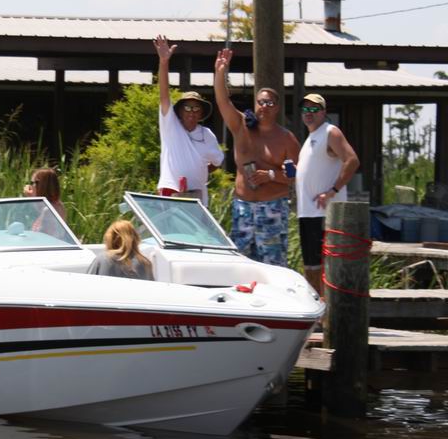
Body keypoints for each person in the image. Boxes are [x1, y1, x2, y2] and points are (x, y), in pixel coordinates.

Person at [213, 48, 300, 267]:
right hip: (242, 206)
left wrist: (270, 175)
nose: (264, 107)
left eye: (269, 103)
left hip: (272, 207)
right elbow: (223, 101)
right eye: (261, 102)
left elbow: (295, 175)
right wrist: (220, 72)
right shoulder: (240, 125)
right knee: (241, 263)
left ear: (277, 107)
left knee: (272, 264)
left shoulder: (286, 139)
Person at [296, 93, 360, 295]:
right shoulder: (310, 138)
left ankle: (330, 309)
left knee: (327, 267)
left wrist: (332, 191)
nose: (309, 113)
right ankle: (317, 308)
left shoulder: (330, 131)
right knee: (311, 267)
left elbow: (352, 161)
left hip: (324, 214)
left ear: (323, 112)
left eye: (314, 109)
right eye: (306, 109)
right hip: (307, 213)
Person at [153, 35, 224, 206]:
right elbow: (164, 96)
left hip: (196, 193)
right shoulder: (171, 126)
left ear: (201, 113)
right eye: (187, 107)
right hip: (171, 189)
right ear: (180, 111)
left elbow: (217, 162)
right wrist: (164, 62)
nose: (192, 112)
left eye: (196, 108)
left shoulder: (207, 135)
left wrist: (201, 172)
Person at [87, 220, 154, 280]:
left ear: (111, 238)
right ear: (135, 238)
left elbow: (87, 283)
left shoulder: (103, 258)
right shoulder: (145, 263)